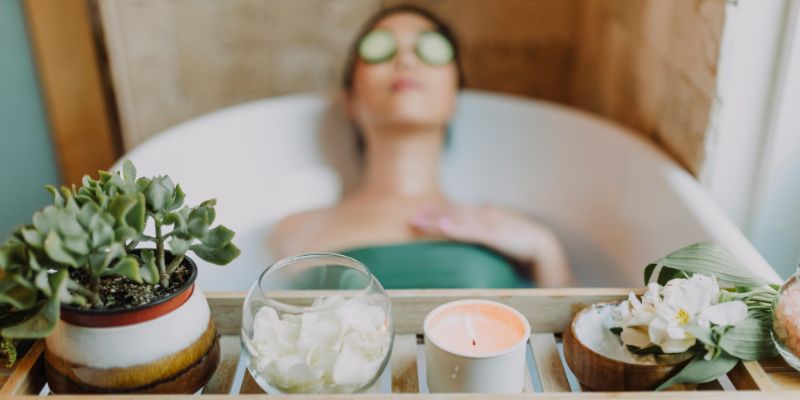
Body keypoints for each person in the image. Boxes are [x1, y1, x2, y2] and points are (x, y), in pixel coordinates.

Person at [271, 5, 572, 288]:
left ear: (455, 96)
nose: (406, 61)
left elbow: (575, 334)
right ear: (350, 100)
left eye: (428, 49)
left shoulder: (508, 227)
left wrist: (547, 250)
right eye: (382, 48)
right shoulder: (296, 231)